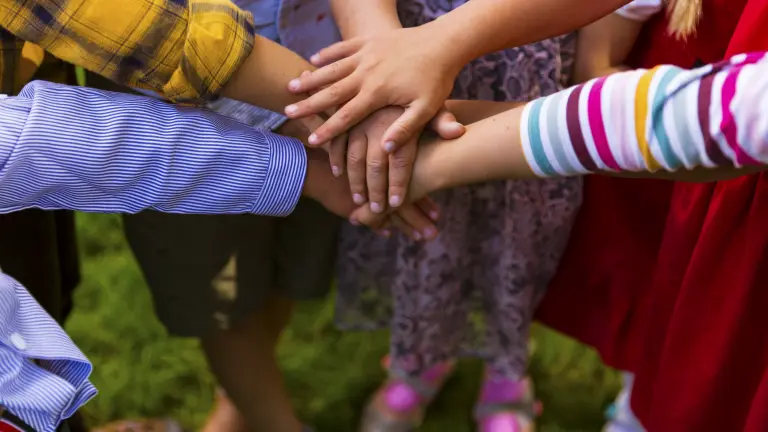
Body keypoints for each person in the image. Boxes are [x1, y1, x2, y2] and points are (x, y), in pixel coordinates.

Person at [329, 1, 580, 431]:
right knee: (425, 217)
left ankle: (506, 369)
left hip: (533, 50)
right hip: (410, 39)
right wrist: (383, 52)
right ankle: (420, 355)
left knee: (519, 226)